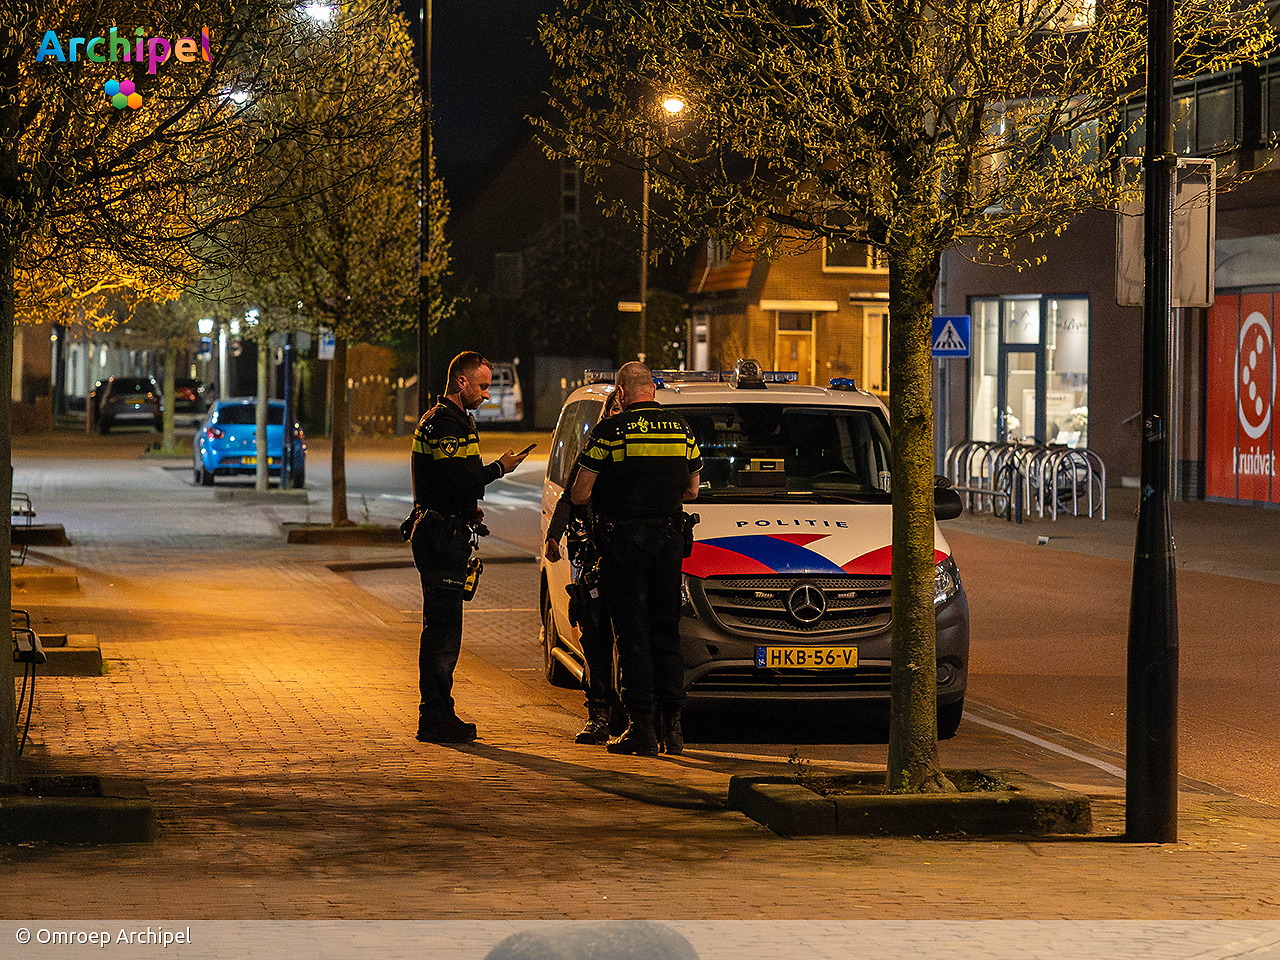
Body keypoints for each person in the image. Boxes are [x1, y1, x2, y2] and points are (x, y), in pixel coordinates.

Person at [571, 362, 701, 756]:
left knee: (633, 635)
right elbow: (692, 490)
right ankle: (673, 729)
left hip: (625, 544)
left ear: (623, 394)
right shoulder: (682, 428)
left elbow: (579, 494)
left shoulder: (610, 431)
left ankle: (641, 728)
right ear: (654, 391)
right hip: (668, 542)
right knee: (666, 633)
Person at [410, 351, 531, 743]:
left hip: (444, 529)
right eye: (481, 386)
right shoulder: (446, 423)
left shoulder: (451, 419)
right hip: (442, 537)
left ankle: (439, 712)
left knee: (442, 630)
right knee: (442, 634)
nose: (486, 394)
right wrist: (500, 468)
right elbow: (454, 481)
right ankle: (435, 716)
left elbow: (450, 484)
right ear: (461, 382)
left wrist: (469, 510)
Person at [544, 388, 624, 745]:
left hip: (627, 557)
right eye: (615, 410)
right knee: (595, 637)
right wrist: (553, 536)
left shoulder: (640, 445)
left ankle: (629, 716)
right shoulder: (599, 442)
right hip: (596, 557)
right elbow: (571, 495)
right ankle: (600, 714)